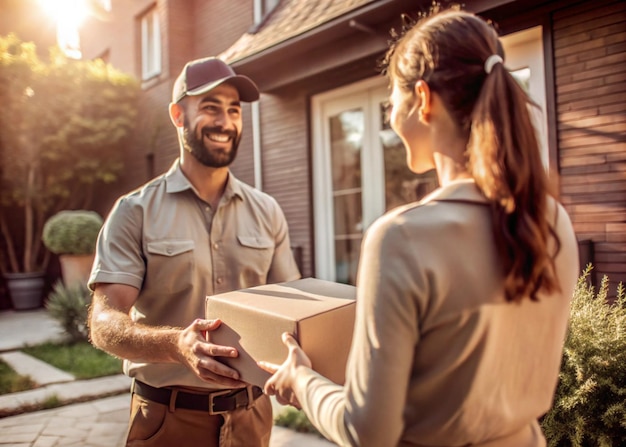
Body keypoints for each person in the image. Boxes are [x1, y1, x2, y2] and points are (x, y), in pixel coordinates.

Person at [259, 7, 579, 447]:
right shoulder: (551, 218)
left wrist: (301, 379)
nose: (390, 117)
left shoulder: (401, 237)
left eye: (393, 100)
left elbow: (368, 433)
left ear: (424, 100)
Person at [88, 57, 301, 447]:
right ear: (178, 115)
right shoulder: (134, 211)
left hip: (252, 417)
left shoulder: (267, 210)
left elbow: (291, 311)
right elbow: (103, 322)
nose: (225, 121)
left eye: (233, 110)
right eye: (210, 108)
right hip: (167, 420)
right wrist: (175, 347)